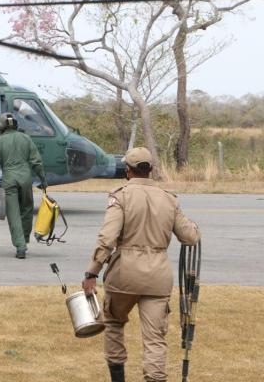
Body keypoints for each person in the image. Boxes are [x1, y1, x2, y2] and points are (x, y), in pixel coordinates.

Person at [81, 147, 200, 382]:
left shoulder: (120, 195)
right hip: (157, 278)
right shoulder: (169, 198)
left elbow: (107, 239)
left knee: (114, 324)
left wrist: (91, 272)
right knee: (155, 339)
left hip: (123, 275)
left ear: (128, 170)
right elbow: (191, 236)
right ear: (151, 170)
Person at [0, 112, 47, 259]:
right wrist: (43, 179)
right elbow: (36, 161)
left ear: (0, 126)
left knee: (13, 215)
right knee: (26, 211)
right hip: (25, 179)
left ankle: (20, 246)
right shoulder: (26, 138)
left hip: (9, 180)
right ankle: (23, 239)